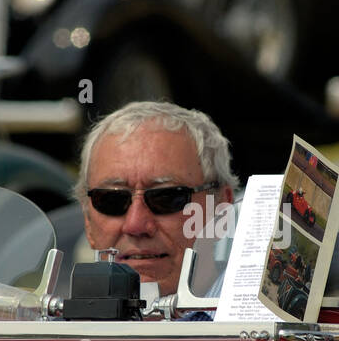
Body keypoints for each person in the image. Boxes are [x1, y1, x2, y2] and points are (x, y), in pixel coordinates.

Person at [78, 101, 237, 298]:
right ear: (87, 220)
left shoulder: (266, 325)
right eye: (112, 200)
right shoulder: (47, 326)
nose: (135, 225)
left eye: (166, 197)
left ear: (221, 212)